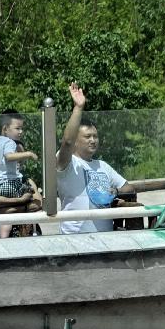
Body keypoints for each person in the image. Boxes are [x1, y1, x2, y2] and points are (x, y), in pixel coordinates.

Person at [56, 83, 136, 234]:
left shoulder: (102, 165)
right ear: (76, 141)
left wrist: (116, 191)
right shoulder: (67, 163)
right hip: (74, 240)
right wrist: (78, 108)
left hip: (105, 240)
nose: (93, 140)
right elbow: (66, 142)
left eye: (95, 136)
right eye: (87, 136)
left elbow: (129, 188)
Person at [0, 111, 38, 238]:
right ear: (5, 129)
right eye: (18, 128)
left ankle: (3, 237)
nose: (21, 132)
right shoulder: (10, 142)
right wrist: (28, 154)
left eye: (22, 128)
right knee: (31, 192)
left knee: (7, 217)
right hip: (11, 184)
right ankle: (32, 230)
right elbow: (9, 156)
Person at [0, 175, 43, 239]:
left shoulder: (25, 179)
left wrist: (8, 209)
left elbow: (38, 203)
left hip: (28, 231)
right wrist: (21, 200)